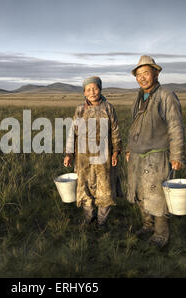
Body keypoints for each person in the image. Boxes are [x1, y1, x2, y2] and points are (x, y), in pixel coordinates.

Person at [125, 56, 184, 248]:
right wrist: (129, 149)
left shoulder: (166, 95)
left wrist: (176, 156)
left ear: (156, 73)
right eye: (139, 74)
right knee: (141, 193)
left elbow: (175, 126)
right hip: (137, 155)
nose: (142, 78)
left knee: (157, 196)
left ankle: (161, 235)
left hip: (157, 155)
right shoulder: (139, 96)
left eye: (146, 73)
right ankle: (147, 226)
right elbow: (135, 127)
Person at [64, 76, 122, 229]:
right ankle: (89, 218)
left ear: (100, 89)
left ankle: (102, 222)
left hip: (104, 157)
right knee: (85, 189)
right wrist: (69, 154)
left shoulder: (108, 108)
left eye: (95, 88)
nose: (92, 92)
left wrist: (116, 151)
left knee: (105, 189)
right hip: (83, 157)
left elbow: (115, 131)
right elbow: (72, 133)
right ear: (84, 92)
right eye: (88, 89)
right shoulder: (80, 109)